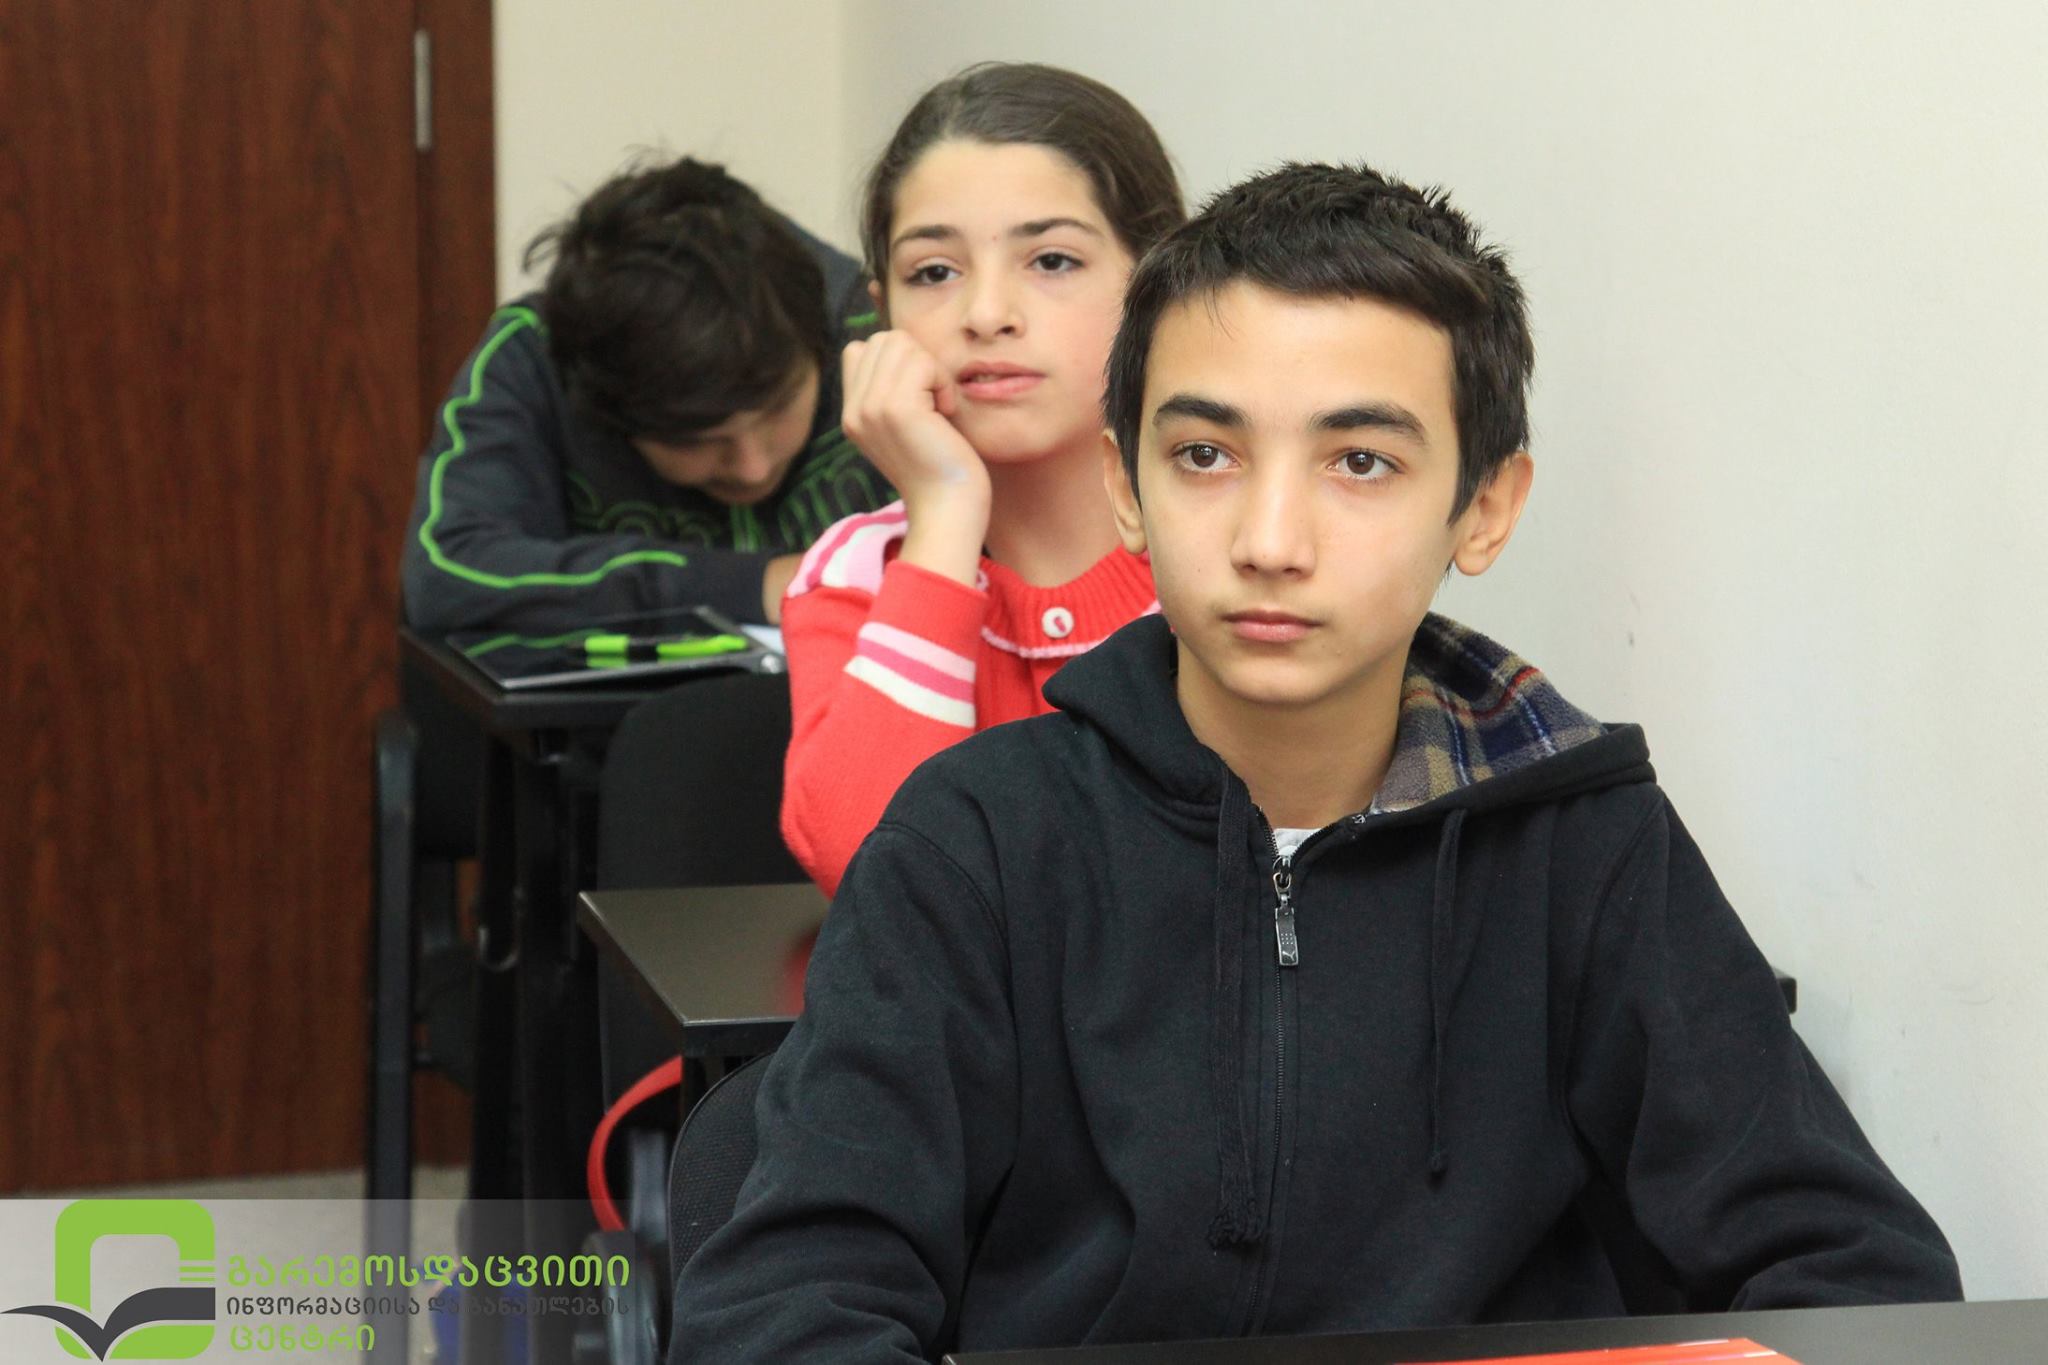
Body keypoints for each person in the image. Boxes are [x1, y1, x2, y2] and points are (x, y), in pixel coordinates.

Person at [670, 163, 1961, 1359]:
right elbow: (783, 1313)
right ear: (1126, 486)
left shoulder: (1583, 844)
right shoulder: (980, 842)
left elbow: (1861, 1280)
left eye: (1359, 462)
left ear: (1484, 507)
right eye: (1204, 456)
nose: (1269, 539)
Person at [777, 63, 1183, 893]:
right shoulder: (858, 570)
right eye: (934, 272)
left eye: (1053, 260)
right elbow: (873, 870)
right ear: (883, 310)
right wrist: (944, 511)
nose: (986, 313)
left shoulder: (1232, 550)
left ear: (1156, 287)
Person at [401, 156, 893, 634]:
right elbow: (446, 571)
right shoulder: (536, 358)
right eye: (696, 440)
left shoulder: (876, 326)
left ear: (820, 348)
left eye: (780, 407)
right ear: (610, 413)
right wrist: (745, 584)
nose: (753, 467)